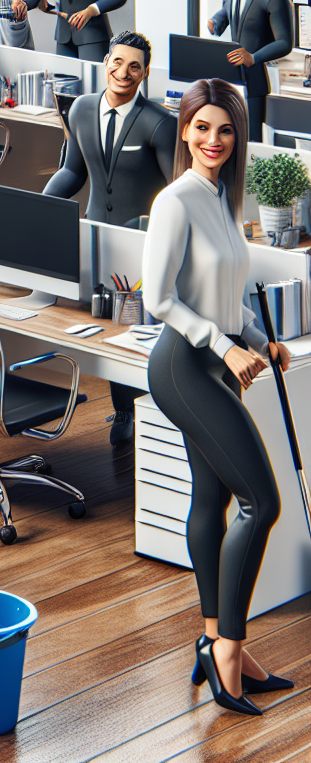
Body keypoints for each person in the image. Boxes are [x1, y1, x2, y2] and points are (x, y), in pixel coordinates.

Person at [143, 78, 291, 717]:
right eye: (201, 128)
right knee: (263, 502)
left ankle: (212, 640)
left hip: (220, 361)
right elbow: (159, 299)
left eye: (225, 130)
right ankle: (229, 648)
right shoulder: (176, 199)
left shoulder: (224, 200)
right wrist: (223, 346)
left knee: (216, 498)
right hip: (184, 367)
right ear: (183, 130)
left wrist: (259, 337)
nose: (213, 140)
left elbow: (225, 296)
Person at [45, 31, 175, 446]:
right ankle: (123, 411)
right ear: (105, 63)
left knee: (133, 328)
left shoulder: (159, 123)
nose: (124, 73)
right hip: (96, 234)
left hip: (142, 244)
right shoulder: (81, 109)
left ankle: (142, 416)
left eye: (134, 66)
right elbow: (73, 172)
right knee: (104, 327)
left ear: (145, 73)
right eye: (117, 63)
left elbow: (176, 190)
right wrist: (41, 207)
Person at [207, 0, 294, 141]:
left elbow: (284, 42)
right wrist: (218, 21)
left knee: (252, 136)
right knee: (226, 130)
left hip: (255, 77)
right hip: (229, 73)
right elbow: (229, 7)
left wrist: (254, 58)